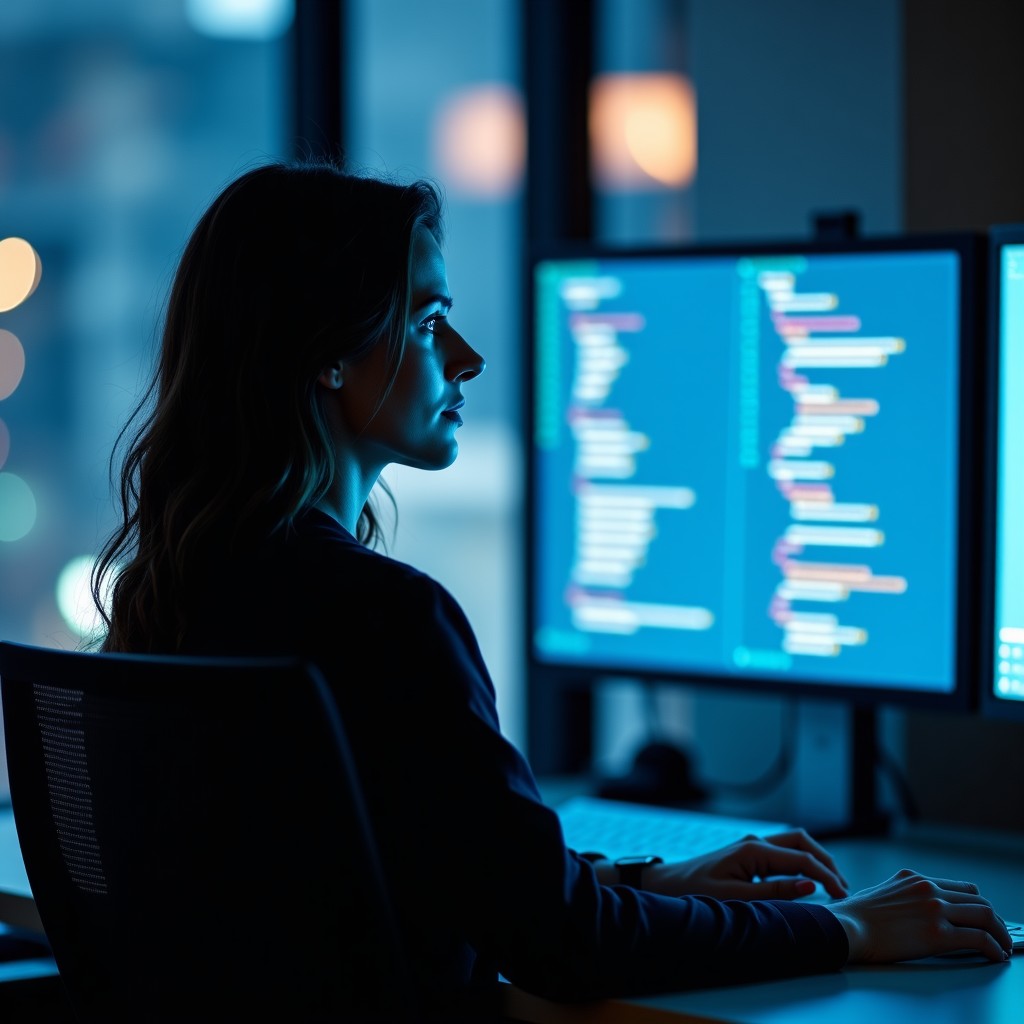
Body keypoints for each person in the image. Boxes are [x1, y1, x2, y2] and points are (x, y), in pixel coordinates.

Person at [91, 159, 1012, 1016]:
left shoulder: (176, 595)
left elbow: (397, 873)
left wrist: (646, 881)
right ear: (328, 357)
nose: (466, 358)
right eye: (424, 321)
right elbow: (566, 947)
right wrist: (845, 928)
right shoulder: (382, 618)